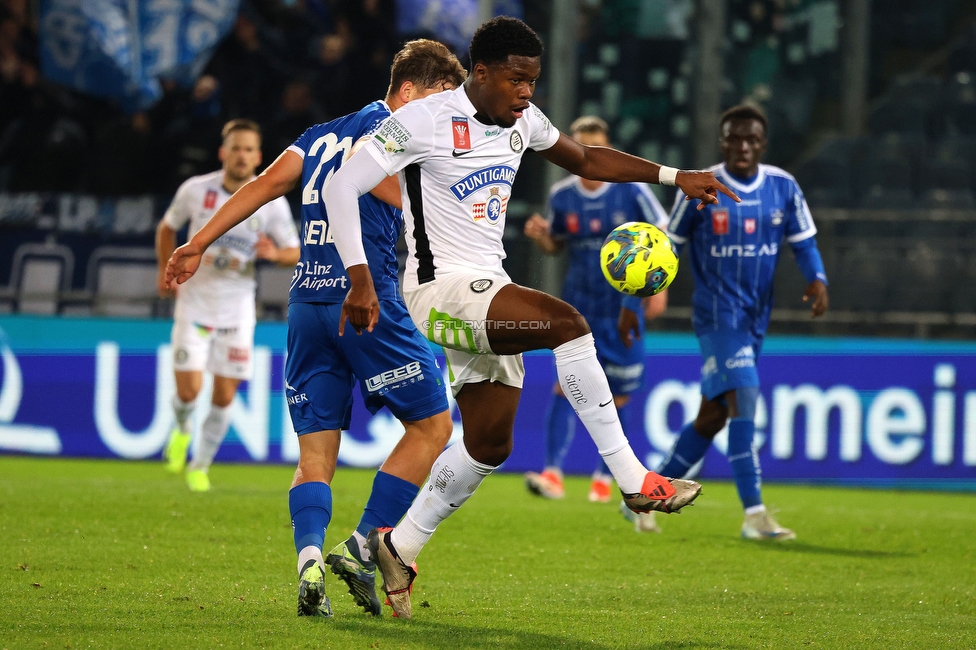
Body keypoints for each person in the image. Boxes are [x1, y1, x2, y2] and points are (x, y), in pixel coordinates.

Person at [324, 16, 739, 618]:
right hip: (439, 289)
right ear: (483, 73)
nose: (527, 93)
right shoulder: (423, 119)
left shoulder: (524, 123)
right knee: (569, 324)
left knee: (490, 442)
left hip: (486, 286)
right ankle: (631, 479)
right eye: (516, 81)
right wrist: (361, 279)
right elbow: (342, 185)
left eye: (534, 82)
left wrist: (677, 176)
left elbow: (588, 160)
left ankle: (398, 547)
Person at [165, 40, 467, 618]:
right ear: (409, 91)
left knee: (315, 453)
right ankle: (360, 545)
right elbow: (391, 196)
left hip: (306, 303)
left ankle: (308, 561)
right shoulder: (400, 137)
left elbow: (260, 187)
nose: (447, 114)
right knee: (431, 427)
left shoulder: (320, 134)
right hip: (364, 299)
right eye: (440, 99)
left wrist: (197, 242)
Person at [647, 104, 829, 540]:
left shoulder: (783, 187)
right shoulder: (699, 186)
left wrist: (817, 279)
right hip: (716, 314)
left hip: (754, 317)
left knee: (711, 418)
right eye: (734, 138)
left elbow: (804, 242)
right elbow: (669, 245)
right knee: (744, 398)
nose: (743, 146)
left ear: (762, 145)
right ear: (723, 142)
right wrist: (645, 293)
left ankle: (644, 495)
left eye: (751, 139)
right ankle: (754, 514)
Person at [521, 116, 669, 523]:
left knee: (619, 394)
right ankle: (553, 473)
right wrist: (542, 237)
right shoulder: (562, 195)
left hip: (623, 308)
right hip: (579, 305)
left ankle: (607, 479)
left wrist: (659, 290)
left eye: (595, 148)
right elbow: (556, 245)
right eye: (581, 148)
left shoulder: (632, 190)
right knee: (566, 386)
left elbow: (660, 239)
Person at [156, 119, 300, 493]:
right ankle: (183, 427)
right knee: (188, 392)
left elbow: (296, 250)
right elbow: (166, 228)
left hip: (236, 311)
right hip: (194, 304)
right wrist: (164, 272)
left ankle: (200, 466)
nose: (242, 155)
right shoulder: (196, 190)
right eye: (236, 148)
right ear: (223, 152)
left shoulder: (271, 202)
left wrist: (275, 253)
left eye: (249, 149)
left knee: (223, 395)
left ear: (259, 156)